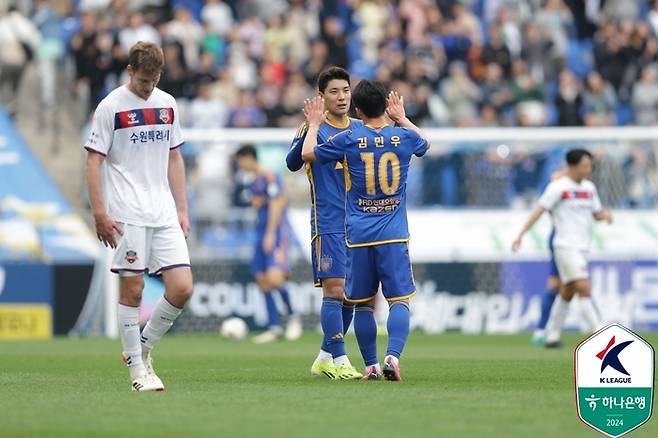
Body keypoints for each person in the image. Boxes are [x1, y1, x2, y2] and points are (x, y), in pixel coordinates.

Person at [301, 81, 430, 380]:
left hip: (358, 235)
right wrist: (403, 118)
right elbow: (425, 144)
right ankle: (392, 357)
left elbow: (308, 154)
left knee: (362, 305)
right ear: (387, 105)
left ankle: (371, 365)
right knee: (399, 301)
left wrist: (314, 124)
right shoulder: (404, 137)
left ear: (357, 109)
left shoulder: (348, 137)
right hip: (394, 233)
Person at [84, 42, 193, 391]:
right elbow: (93, 161)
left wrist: (182, 207)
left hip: (162, 211)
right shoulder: (110, 106)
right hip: (126, 212)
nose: (149, 87)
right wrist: (99, 212)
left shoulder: (168, 104)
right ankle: (137, 375)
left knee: (182, 288)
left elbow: (175, 157)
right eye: (144, 80)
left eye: (155, 80)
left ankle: (141, 349)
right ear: (130, 71)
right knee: (133, 290)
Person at [286, 67, 363, 380]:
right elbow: (292, 163)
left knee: (353, 294)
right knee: (334, 290)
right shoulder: (311, 128)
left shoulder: (360, 128)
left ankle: (323, 356)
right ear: (321, 96)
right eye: (334, 91)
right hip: (328, 220)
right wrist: (314, 125)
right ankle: (341, 360)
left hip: (359, 223)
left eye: (345, 90)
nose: (342, 97)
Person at [512, 149, 613, 348]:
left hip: (582, 246)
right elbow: (539, 210)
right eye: (584, 166)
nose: (588, 170)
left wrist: (606, 216)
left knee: (566, 291)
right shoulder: (558, 187)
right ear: (572, 166)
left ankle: (552, 335)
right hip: (564, 245)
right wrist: (521, 234)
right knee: (583, 286)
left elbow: (596, 213)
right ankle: (601, 334)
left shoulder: (590, 188)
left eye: (590, 166)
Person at [234, 145, 302, 344]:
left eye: (240, 161)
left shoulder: (270, 176)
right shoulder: (252, 182)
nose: (240, 166)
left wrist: (271, 234)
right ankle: (274, 327)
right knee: (262, 281)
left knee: (274, 279)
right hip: (259, 234)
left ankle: (293, 318)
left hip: (275, 233)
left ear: (248, 158)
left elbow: (276, 204)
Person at [531, 169, 566, 346]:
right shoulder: (558, 182)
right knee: (570, 286)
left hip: (572, 239)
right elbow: (544, 205)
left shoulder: (582, 184)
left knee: (562, 287)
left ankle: (545, 331)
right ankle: (544, 331)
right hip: (562, 238)